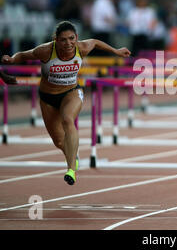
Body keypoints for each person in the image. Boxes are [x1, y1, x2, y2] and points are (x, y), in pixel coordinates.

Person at [1, 21, 131, 186]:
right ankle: (72, 156)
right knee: (59, 141)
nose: (68, 43)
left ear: (76, 38)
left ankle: (71, 170)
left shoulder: (81, 48)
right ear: (56, 40)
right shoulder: (46, 51)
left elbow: (96, 42)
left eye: (71, 39)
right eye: (63, 40)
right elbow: (24, 55)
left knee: (68, 120)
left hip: (71, 92)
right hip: (48, 97)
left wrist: (117, 51)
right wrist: (11, 59)